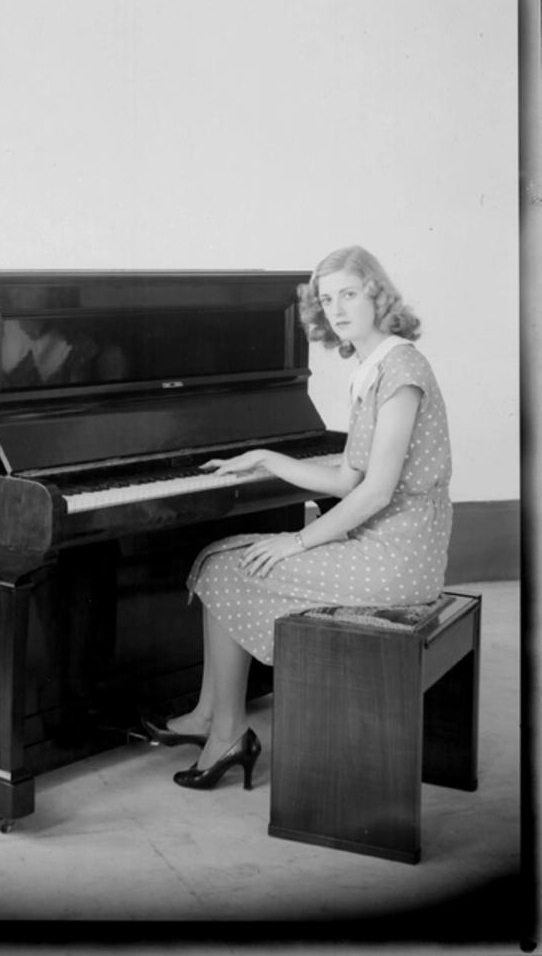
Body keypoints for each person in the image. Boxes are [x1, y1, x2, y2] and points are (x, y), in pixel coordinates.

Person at [141, 246, 452, 791]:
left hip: (397, 559)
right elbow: (345, 480)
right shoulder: (374, 365)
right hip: (385, 546)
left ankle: (228, 729)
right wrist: (265, 457)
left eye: (349, 294)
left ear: (377, 293)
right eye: (327, 299)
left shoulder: (401, 369)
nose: (337, 309)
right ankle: (210, 714)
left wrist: (298, 540)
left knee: (231, 568)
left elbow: (375, 492)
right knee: (219, 556)